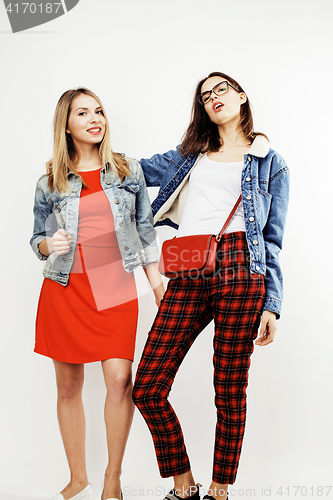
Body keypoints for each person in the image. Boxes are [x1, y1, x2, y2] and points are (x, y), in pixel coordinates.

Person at [132, 72, 290, 500]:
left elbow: (272, 239)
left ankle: (219, 490)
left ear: (241, 95)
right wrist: (83, 160)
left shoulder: (270, 162)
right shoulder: (190, 153)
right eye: (205, 96)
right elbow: (132, 170)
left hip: (243, 266)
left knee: (229, 386)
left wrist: (271, 304)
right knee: (147, 386)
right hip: (188, 264)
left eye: (221, 89)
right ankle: (185, 484)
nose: (213, 97)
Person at [30, 87, 164, 500]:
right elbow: (37, 237)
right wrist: (47, 245)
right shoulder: (50, 180)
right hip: (65, 289)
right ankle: (78, 476)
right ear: (66, 126)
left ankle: (112, 478)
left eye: (99, 111)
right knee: (68, 388)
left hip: (114, 287)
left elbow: (145, 232)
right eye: (83, 112)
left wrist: (158, 286)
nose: (95, 118)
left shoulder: (127, 172)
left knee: (121, 381)